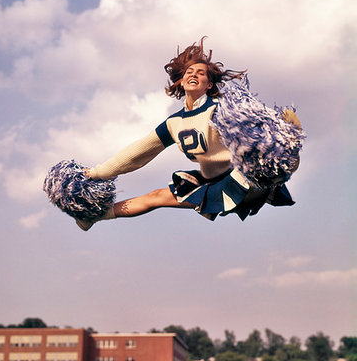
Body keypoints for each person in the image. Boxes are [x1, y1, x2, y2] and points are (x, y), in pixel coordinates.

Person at [76, 38, 302, 231]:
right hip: (211, 181)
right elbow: (139, 153)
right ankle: (92, 217)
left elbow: (257, 124)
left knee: (273, 159)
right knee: (155, 197)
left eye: (201, 73)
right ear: (181, 81)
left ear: (208, 83)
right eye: (189, 72)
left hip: (244, 179)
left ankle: (288, 154)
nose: (194, 75)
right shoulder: (174, 123)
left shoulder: (223, 108)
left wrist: (283, 132)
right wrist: (95, 173)